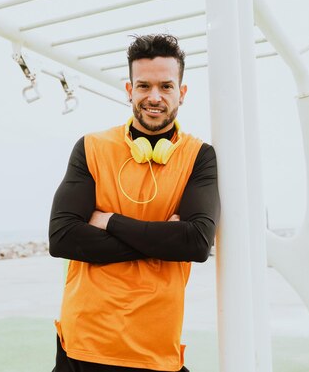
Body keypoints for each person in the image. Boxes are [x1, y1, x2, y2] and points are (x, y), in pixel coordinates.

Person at [49, 34, 220, 372]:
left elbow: (197, 242)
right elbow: (63, 237)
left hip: (155, 346)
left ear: (181, 93)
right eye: (143, 86)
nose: (154, 97)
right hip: (85, 342)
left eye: (166, 87)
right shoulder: (91, 147)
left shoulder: (199, 156)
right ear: (130, 90)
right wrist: (164, 241)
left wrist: (110, 222)